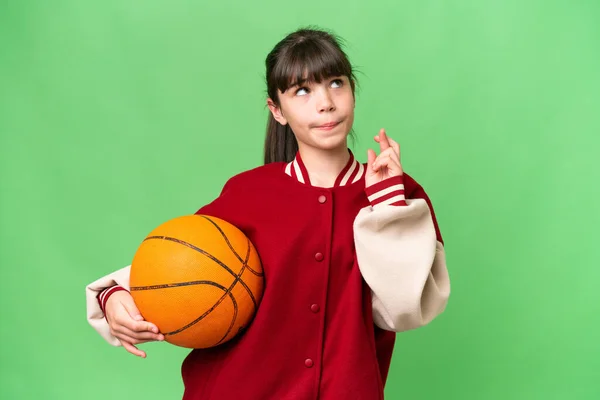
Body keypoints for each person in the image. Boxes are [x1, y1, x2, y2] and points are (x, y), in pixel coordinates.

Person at [86, 27, 450, 400]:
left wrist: (388, 206)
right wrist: (114, 296)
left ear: (352, 90)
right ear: (277, 110)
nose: (325, 102)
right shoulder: (249, 192)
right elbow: (182, 262)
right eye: (302, 91)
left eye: (336, 83)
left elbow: (405, 311)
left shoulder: (398, 196)